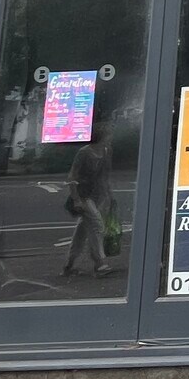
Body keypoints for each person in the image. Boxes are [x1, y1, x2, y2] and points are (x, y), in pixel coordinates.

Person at [65, 118, 117, 276]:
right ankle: (99, 263)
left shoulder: (107, 151)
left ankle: (69, 264)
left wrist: (108, 195)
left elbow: (104, 175)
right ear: (101, 137)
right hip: (83, 195)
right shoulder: (84, 153)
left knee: (82, 230)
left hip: (96, 195)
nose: (111, 138)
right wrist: (76, 199)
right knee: (97, 225)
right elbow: (72, 176)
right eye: (108, 135)